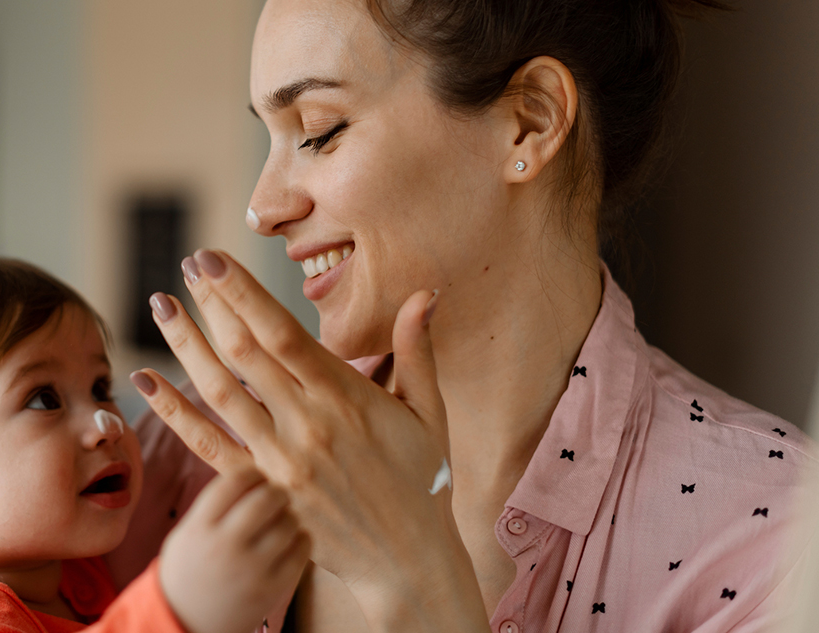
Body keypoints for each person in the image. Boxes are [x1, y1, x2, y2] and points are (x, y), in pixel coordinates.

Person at [107, 0, 817, 631]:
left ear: (526, 122)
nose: (261, 209)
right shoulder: (182, 465)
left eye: (318, 130)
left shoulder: (778, 537)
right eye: (269, 134)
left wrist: (412, 577)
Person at [0, 258, 310, 633]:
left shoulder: (44, 549)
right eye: (43, 400)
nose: (107, 422)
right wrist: (175, 607)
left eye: (100, 388)